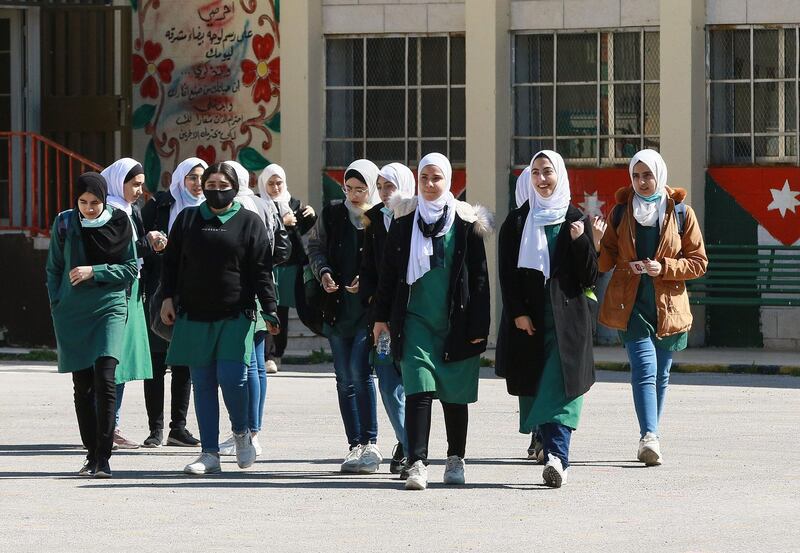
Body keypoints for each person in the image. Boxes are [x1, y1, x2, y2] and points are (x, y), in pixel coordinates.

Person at [372, 153, 492, 491]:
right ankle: (418, 462)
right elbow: (389, 276)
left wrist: (478, 328)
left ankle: (456, 458)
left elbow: (480, 280)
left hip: (457, 322)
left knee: (455, 393)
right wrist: (380, 318)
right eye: (424, 178)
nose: (429, 184)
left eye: (436, 178)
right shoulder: (403, 220)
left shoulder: (466, 223)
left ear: (449, 181)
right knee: (418, 389)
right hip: (415, 322)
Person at [160, 162, 279, 475]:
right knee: (203, 383)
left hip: (237, 313)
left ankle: (242, 433)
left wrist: (270, 308)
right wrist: (166, 298)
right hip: (194, 314)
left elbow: (261, 270)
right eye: (208, 184)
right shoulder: (187, 219)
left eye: (221, 184)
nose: (214, 189)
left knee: (233, 378)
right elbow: (171, 263)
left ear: (234, 187)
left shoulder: (249, 221)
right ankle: (209, 453)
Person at [596, 149, 707, 466]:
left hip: (668, 305)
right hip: (630, 303)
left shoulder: (682, 213)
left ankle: (651, 434)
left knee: (661, 375)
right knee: (644, 369)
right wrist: (596, 238)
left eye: (648, 175)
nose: (642, 182)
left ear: (660, 174)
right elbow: (604, 261)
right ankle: (649, 437)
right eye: (636, 175)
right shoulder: (620, 213)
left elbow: (698, 263)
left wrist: (665, 268)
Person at [496, 150, 598, 488]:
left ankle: (558, 457)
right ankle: (546, 444)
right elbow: (506, 275)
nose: (541, 179)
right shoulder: (517, 221)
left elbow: (589, 277)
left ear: (560, 176)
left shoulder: (575, 218)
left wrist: (582, 241)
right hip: (532, 322)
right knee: (538, 385)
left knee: (562, 387)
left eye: (548, 172)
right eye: (536, 172)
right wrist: (518, 313)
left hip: (568, 323)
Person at [46, 172, 137, 478]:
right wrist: (57, 304)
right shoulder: (65, 222)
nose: (88, 208)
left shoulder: (120, 221)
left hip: (110, 306)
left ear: (104, 198)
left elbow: (131, 267)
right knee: (82, 385)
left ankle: (105, 456)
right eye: (82, 202)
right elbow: (54, 268)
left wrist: (94, 271)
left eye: (95, 202)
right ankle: (91, 453)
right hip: (73, 311)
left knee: (106, 377)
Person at [306, 159, 382, 474]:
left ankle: (371, 442)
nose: (354, 195)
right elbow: (315, 247)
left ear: (372, 188)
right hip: (337, 308)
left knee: (360, 372)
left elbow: (387, 259)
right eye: (348, 189)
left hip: (368, 310)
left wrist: (369, 280)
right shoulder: (333, 213)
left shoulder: (379, 217)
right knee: (343, 378)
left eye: (360, 189)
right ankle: (354, 445)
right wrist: (323, 272)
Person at [216, 160, 289, 459]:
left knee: (249, 364)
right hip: (265, 284)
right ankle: (252, 431)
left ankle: (247, 431)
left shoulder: (240, 208)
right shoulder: (264, 203)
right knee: (258, 362)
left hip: (245, 289)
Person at [139, 157, 207, 447]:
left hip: (192, 292)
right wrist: (157, 248)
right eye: (192, 177)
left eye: (201, 178)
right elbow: (142, 241)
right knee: (155, 362)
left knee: (184, 363)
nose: (198, 183)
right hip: (158, 291)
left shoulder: (207, 209)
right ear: (180, 178)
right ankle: (154, 429)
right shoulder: (160, 205)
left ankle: (177, 427)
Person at [359, 162, 415, 475]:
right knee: (387, 380)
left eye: (389, 186)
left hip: (411, 312)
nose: (384, 192)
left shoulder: (419, 216)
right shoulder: (375, 219)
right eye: (380, 186)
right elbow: (368, 266)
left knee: (410, 380)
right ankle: (407, 441)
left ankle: (411, 445)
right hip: (382, 313)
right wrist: (372, 300)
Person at [100, 158, 154, 450]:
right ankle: (109, 425)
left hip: (132, 288)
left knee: (121, 362)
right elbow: (117, 251)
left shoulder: (129, 210)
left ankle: (111, 423)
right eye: (134, 184)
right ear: (118, 181)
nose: (138, 190)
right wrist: (148, 244)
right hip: (115, 291)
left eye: (141, 185)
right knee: (113, 361)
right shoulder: (108, 211)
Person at [257, 163, 318, 372]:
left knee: (282, 310)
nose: (275, 188)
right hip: (267, 264)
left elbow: (300, 231)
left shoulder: (292, 203)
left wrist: (310, 215)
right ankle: (266, 355)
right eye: (271, 183)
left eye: (279, 183)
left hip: (290, 265)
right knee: (268, 308)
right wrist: (281, 222)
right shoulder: (258, 204)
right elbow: (259, 231)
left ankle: (277, 354)